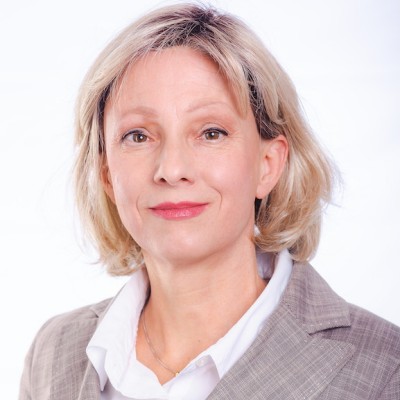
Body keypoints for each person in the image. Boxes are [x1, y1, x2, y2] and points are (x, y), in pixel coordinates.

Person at [19, 3, 400, 399]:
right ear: (106, 175)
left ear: (267, 165)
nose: (172, 169)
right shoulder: (52, 354)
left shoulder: (387, 371)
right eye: (138, 136)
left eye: (211, 133)